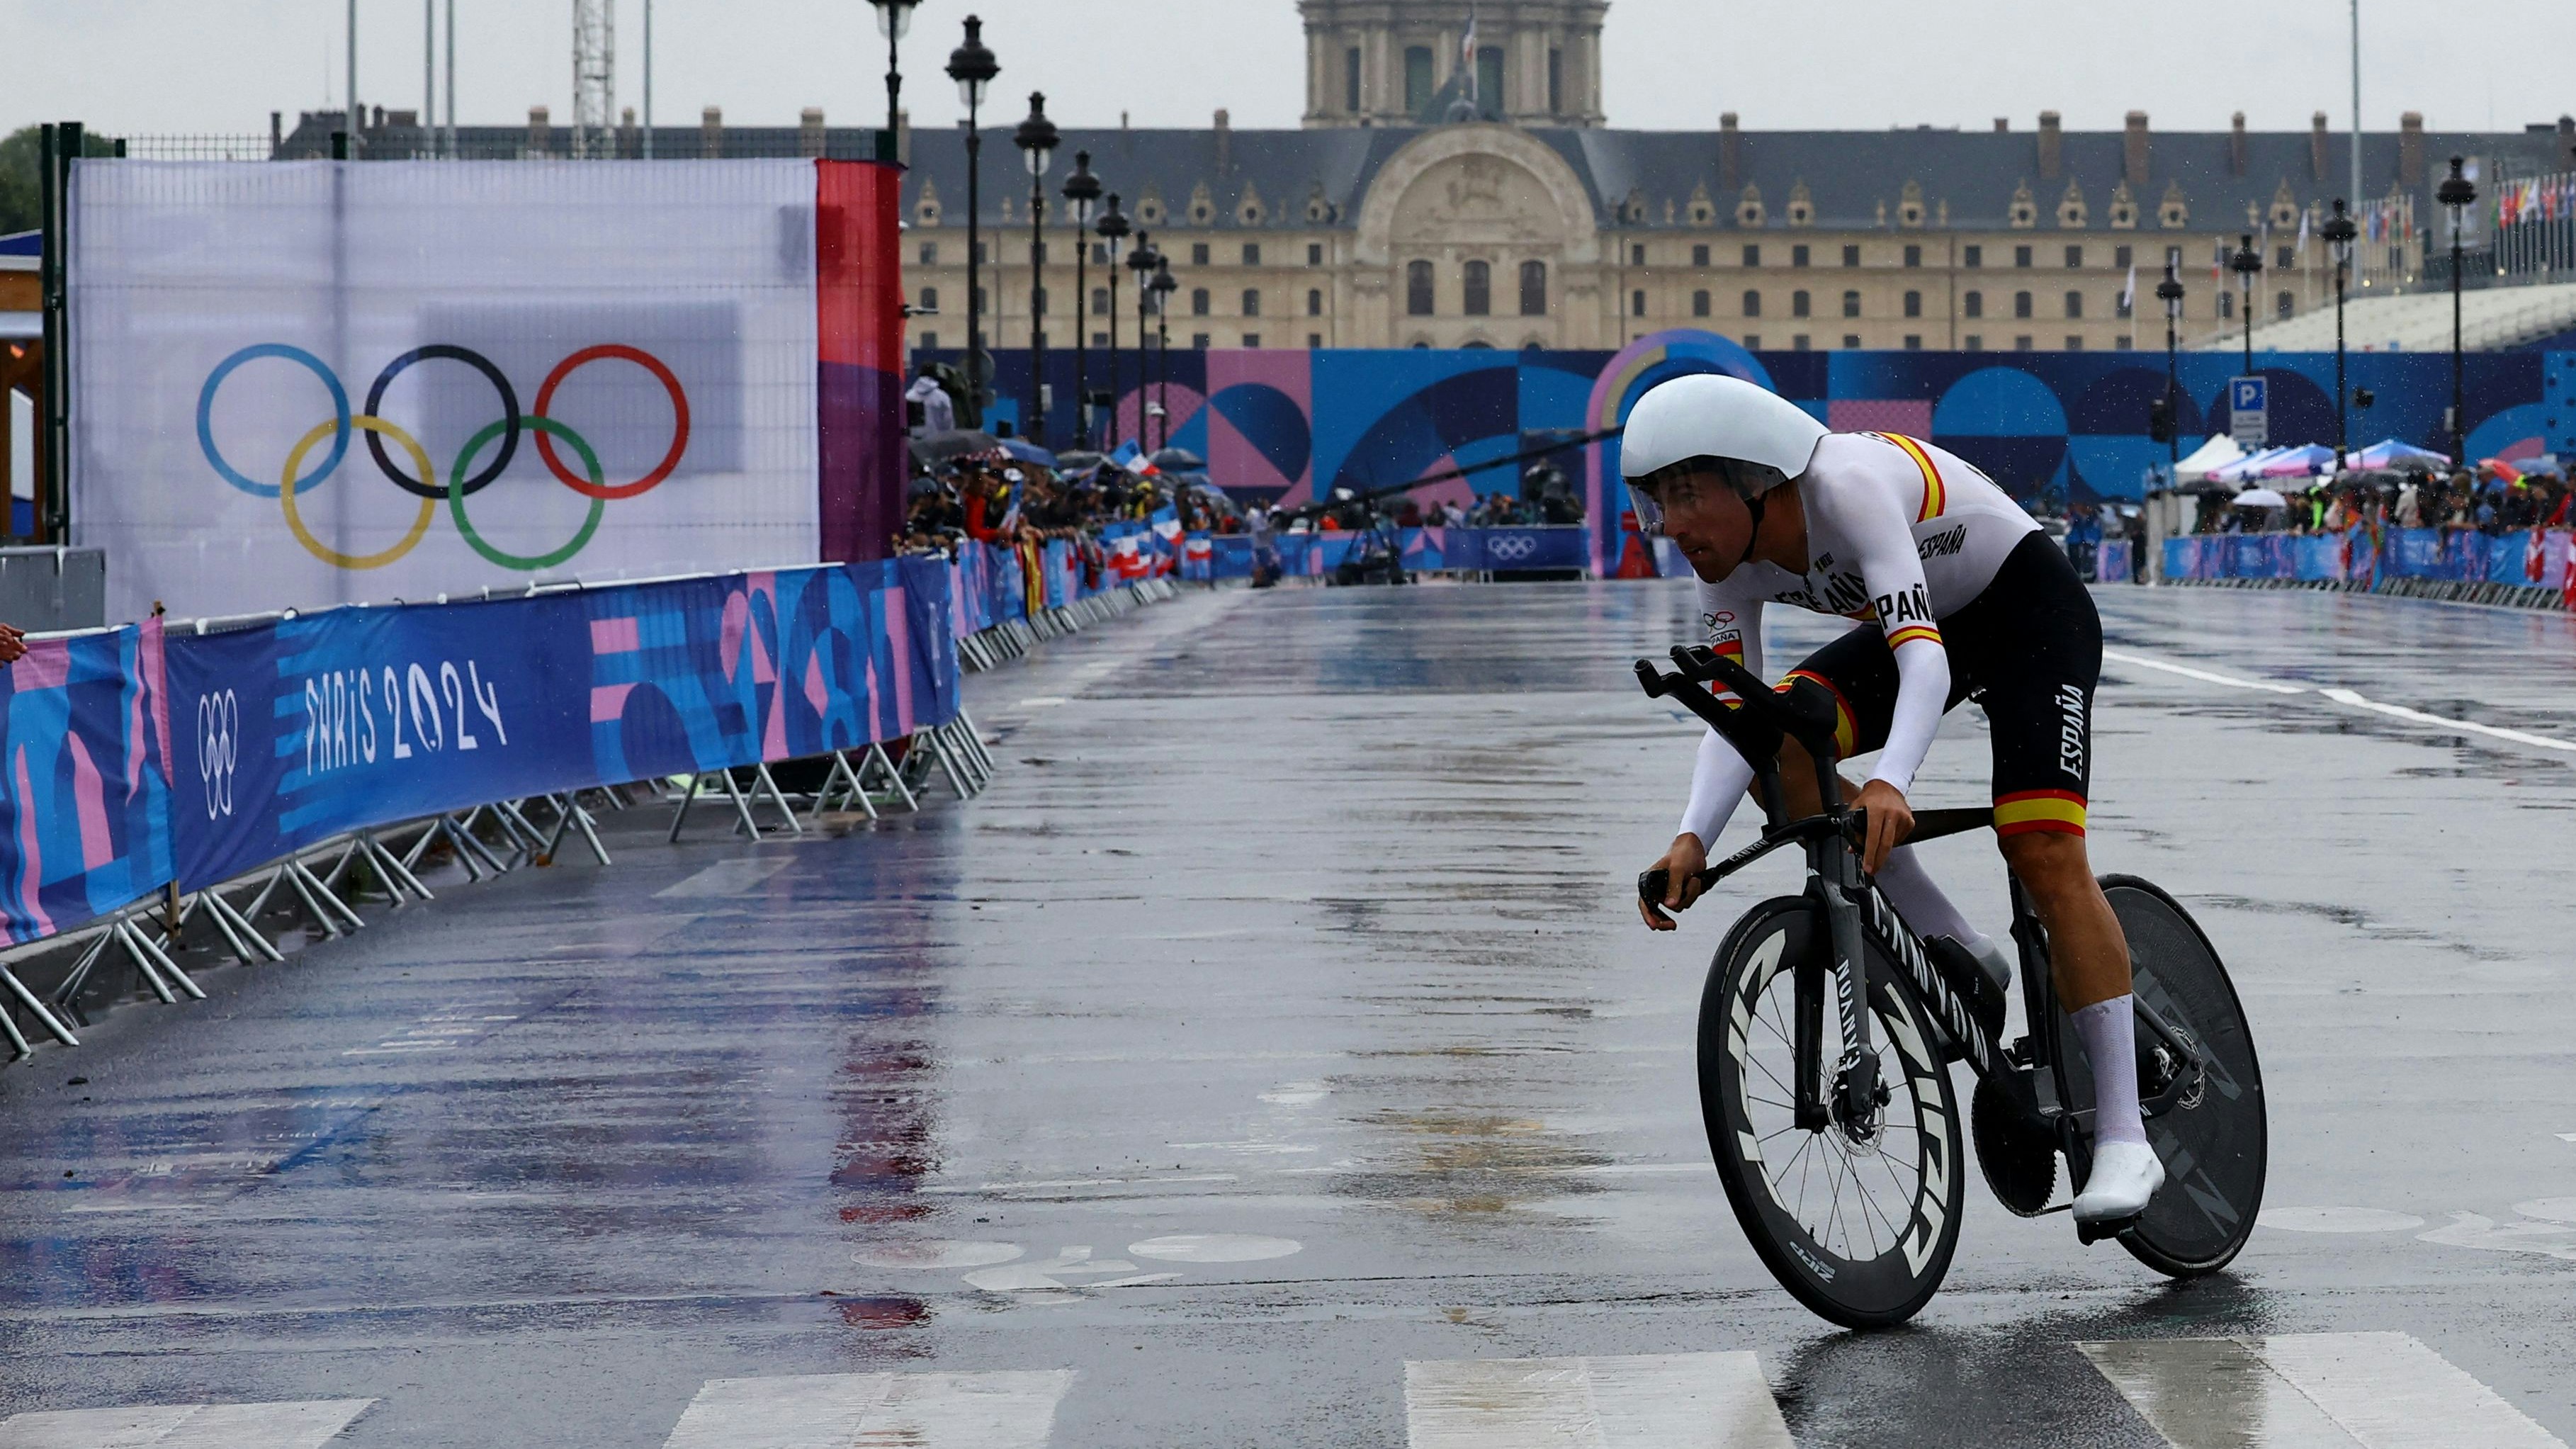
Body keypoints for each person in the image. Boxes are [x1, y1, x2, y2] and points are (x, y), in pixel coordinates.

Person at [1623, 373, 2160, 1229]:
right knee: (1782, 743)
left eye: (1687, 495)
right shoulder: (1725, 564)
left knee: (2041, 845)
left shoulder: (1847, 485)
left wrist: (1890, 781)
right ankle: (1958, 947)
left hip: (2027, 613)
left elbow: (1927, 661)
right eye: (1657, 503)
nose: (1672, 525)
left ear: (1757, 476)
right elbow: (1735, 718)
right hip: (1935, 621)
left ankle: (2128, 1136)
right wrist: (1690, 834)